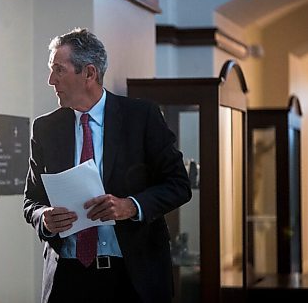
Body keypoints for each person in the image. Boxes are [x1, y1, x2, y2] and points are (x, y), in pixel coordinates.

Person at [23, 28, 192, 303]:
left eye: (59, 70)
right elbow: (31, 199)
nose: (51, 80)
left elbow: (179, 185)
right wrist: (44, 217)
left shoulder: (142, 117)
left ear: (89, 73)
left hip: (131, 279)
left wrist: (131, 206)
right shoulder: (45, 128)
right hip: (67, 279)